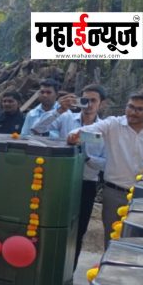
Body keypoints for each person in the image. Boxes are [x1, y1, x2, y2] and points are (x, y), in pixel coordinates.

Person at [68, 88, 143, 247]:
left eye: (140, 109)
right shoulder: (113, 125)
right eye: (130, 106)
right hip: (115, 194)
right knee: (112, 241)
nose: (132, 112)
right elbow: (80, 134)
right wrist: (76, 136)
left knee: (142, 243)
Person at [34, 84, 106, 267]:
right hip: (60, 181)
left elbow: (108, 163)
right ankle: (46, 267)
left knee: (78, 230)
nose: (88, 104)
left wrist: (87, 158)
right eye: (85, 100)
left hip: (86, 184)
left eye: (93, 101)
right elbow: (37, 128)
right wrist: (59, 109)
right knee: (50, 225)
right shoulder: (66, 118)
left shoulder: (106, 129)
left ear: (101, 104)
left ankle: (68, 272)